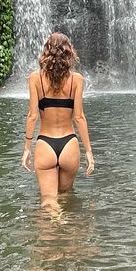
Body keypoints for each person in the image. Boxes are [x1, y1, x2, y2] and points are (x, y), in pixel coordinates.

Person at [22, 32, 94, 209]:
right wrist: (89, 152)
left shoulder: (35, 78)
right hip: (69, 144)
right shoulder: (77, 80)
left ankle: (54, 223)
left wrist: (27, 149)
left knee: (48, 200)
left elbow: (32, 115)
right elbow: (79, 117)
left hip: (45, 143)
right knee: (65, 197)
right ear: (69, 52)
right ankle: (67, 229)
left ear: (46, 51)